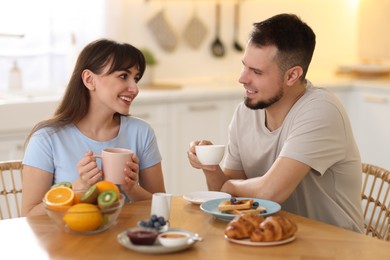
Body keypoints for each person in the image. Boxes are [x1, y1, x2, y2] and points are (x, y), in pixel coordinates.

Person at [187, 14, 364, 232]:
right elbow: (226, 198)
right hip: (273, 241)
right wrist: (211, 167)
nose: (242, 78)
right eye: (245, 66)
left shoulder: (321, 109)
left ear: (292, 76)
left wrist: (230, 187)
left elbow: (270, 193)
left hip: (336, 247)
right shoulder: (245, 112)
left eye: (256, 72)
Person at [22, 39, 166, 216]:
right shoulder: (47, 138)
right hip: (66, 241)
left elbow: (161, 206)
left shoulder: (141, 132)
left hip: (126, 240)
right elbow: (28, 215)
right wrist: (77, 188)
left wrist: (131, 188)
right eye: (123, 76)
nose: (135, 89)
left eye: (135, 78)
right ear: (90, 80)